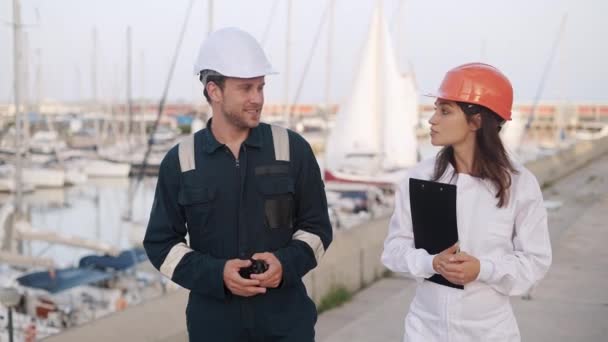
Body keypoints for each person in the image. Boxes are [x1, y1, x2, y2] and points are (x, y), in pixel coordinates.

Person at [143, 27, 332, 342]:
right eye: (246, 88)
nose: (257, 99)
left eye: (261, 87)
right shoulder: (181, 161)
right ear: (214, 91)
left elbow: (317, 229)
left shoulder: (292, 149)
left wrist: (284, 264)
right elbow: (161, 245)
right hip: (214, 329)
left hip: (287, 326)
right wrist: (217, 275)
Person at [381, 62, 552, 341]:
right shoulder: (419, 177)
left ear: (477, 121)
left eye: (445, 110)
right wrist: (431, 263)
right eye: (436, 108)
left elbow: (535, 262)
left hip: (490, 333)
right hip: (424, 330)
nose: (432, 119)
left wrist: (483, 269)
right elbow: (393, 250)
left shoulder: (520, 184)